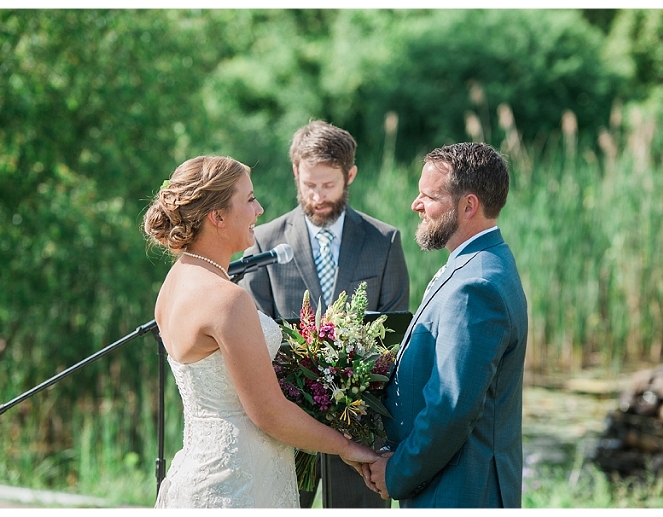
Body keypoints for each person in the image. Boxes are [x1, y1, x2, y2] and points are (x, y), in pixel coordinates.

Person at [143, 155, 379, 508]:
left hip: (201, 468)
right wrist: (347, 446)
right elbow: (270, 415)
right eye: (250, 199)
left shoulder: (173, 284)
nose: (261, 210)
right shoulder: (227, 299)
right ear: (218, 216)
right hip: (241, 482)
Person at [238, 120, 410, 508]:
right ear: (296, 173)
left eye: (328, 185)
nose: (317, 196)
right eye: (309, 185)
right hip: (284, 423)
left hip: (362, 422)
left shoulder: (385, 242)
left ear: (350, 175)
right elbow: (252, 336)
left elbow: (395, 343)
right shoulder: (263, 241)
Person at [363, 142, 528, 508]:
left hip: (460, 490)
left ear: (468, 206)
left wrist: (397, 473)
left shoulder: (476, 284)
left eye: (429, 196)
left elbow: (451, 408)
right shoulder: (480, 261)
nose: (415, 205)